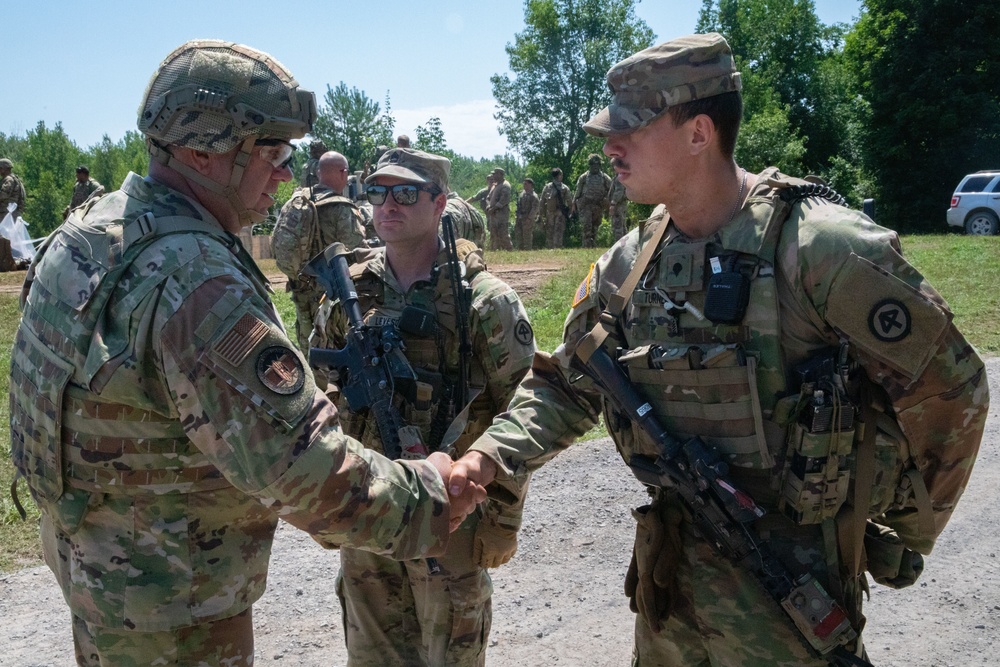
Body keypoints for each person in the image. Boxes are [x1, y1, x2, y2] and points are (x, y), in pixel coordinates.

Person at [450, 33, 989, 666]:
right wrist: (487, 457)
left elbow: (952, 389)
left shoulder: (820, 250)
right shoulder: (629, 262)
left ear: (700, 131)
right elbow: (570, 382)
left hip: (792, 592)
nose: (609, 146)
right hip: (670, 586)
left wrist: (901, 527)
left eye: (630, 129)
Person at [9, 39, 483, 667]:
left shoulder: (90, 232)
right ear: (205, 149)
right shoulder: (193, 279)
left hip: (98, 572)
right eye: (273, 151)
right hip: (174, 611)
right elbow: (303, 471)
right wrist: (429, 494)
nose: (287, 173)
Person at [312, 147, 537, 666]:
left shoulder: (483, 300)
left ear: (439, 204)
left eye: (406, 193)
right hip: (369, 503)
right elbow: (319, 389)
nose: (389, 205)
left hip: (452, 514)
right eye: (378, 192)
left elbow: (525, 414)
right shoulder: (350, 291)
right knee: (372, 654)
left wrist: (503, 518)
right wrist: (328, 495)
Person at [272, 150, 368, 353]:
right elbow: (358, 253)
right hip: (330, 296)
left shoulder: (298, 201)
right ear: (343, 173)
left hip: (300, 288)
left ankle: (313, 379)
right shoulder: (342, 208)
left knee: (309, 347)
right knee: (334, 350)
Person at [574, 153, 613, 247]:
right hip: (586, 205)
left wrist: (608, 202)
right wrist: (574, 204)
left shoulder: (605, 177)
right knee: (586, 227)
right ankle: (586, 246)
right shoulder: (584, 177)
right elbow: (577, 192)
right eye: (593, 164)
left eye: (597, 164)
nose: (595, 166)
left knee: (595, 227)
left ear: (600, 165)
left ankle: (593, 245)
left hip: (598, 206)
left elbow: (611, 190)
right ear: (590, 165)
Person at [539, 167, 571, 248]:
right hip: (551, 212)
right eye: (561, 175)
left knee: (556, 230)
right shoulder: (549, 187)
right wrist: (540, 213)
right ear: (559, 175)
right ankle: (553, 247)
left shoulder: (563, 187)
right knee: (552, 230)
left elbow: (542, 201)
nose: (561, 176)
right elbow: (542, 201)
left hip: (558, 212)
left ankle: (555, 247)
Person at [485, 167, 513, 251]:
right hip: (493, 214)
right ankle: (495, 249)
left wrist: (494, 208)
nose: (493, 176)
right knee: (493, 233)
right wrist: (488, 206)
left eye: (495, 174)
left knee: (503, 232)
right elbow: (488, 197)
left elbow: (504, 199)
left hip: (501, 214)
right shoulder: (495, 185)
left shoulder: (505, 185)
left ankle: (508, 249)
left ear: (500, 174)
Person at [514, 177, 540, 250]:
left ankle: (527, 249)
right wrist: (518, 215)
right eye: (524, 184)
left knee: (527, 234)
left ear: (530, 185)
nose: (524, 185)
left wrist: (529, 218)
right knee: (518, 233)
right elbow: (519, 205)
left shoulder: (534, 196)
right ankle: (520, 248)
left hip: (528, 218)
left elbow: (535, 208)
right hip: (520, 217)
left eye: (526, 184)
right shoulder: (522, 194)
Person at [608, 172, 629, 241]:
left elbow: (619, 191)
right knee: (622, 225)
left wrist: (613, 203)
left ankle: (618, 244)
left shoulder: (618, 178)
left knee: (617, 226)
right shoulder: (619, 176)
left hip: (618, 205)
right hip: (621, 205)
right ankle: (625, 243)